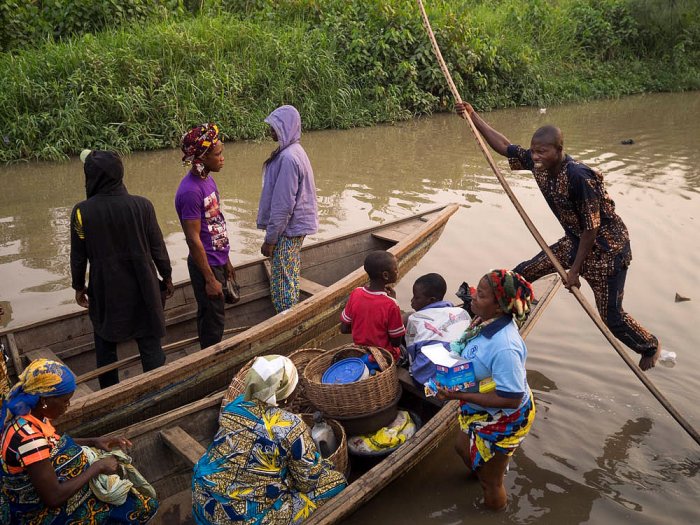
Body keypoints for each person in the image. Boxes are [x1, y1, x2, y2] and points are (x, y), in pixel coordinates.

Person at [456, 102, 662, 370]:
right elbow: (505, 146)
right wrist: (474, 116)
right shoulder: (538, 164)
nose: (536, 156)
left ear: (559, 151)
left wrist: (574, 271)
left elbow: (593, 227)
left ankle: (650, 346)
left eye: (542, 152)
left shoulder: (579, 177)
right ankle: (489, 316)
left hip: (606, 251)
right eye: (534, 151)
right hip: (575, 241)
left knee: (611, 317)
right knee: (522, 274)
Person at [0, 359, 158, 523]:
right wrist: (98, 467)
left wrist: (93, 441)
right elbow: (53, 498)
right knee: (141, 507)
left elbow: (50, 444)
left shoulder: (29, 413)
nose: (68, 405)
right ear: (44, 401)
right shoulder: (29, 438)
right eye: (65, 401)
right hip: (36, 512)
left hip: (47, 487)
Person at [192, 355, 346, 524]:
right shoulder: (290, 426)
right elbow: (307, 482)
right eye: (294, 385)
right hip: (241, 518)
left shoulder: (234, 406)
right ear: (284, 395)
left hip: (204, 500)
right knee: (336, 481)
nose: (296, 389)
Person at [70, 150, 173, 389]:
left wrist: (78, 287)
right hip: (143, 284)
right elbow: (158, 247)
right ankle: (156, 389)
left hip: (105, 287)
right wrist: (166, 276)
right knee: (150, 341)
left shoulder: (81, 212)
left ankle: (109, 393)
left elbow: (78, 256)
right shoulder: (143, 206)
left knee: (105, 344)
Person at [437, 269, 536, 511]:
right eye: (476, 291)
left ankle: (494, 510)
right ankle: (482, 468)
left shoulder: (505, 347)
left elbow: (512, 399)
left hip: (506, 418)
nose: (472, 298)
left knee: (491, 483)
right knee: (461, 447)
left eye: (480, 295)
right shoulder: (482, 322)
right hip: (478, 407)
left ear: (500, 306)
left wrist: (458, 395)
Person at [176, 123, 235, 349]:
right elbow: (193, 239)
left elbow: (215, 222)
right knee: (212, 322)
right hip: (206, 266)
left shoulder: (207, 180)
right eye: (218, 154)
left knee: (213, 317)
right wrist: (210, 279)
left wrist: (227, 260)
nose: (222, 158)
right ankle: (210, 362)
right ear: (201, 158)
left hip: (217, 261)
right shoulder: (190, 191)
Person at [257, 105, 319, 313]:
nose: (271, 131)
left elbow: (283, 206)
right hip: (295, 227)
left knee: (282, 280)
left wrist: (270, 239)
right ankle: (292, 311)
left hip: (287, 229)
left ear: (286, 128)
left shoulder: (288, 158)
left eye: (275, 127)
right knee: (289, 271)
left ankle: (286, 318)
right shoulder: (295, 151)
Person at [404, 273, 470, 384]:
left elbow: (411, 353)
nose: (412, 301)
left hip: (427, 383)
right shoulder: (462, 313)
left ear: (431, 300)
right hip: (461, 379)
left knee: (407, 323)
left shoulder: (415, 319)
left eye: (416, 297)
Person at [340, 250, 405, 361]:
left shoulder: (356, 292)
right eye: (395, 269)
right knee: (404, 347)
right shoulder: (391, 304)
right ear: (385, 275)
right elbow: (396, 342)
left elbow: (344, 328)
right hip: (384, 356)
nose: (397, 271)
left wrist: (365, 330)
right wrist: (393, 300)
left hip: (359, 350)